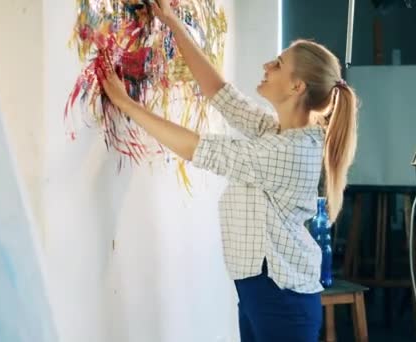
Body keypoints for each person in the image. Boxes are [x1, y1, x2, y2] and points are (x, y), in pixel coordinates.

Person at [98, 0, 358, 340]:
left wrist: (127, 105)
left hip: (280, 299)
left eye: (278, 64)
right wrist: (173, 23)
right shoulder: (278, 132)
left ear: (297, 87)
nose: (267, 65)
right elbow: (221, 95)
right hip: (263, 293)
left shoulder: (290, 151)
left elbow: (200, 148)